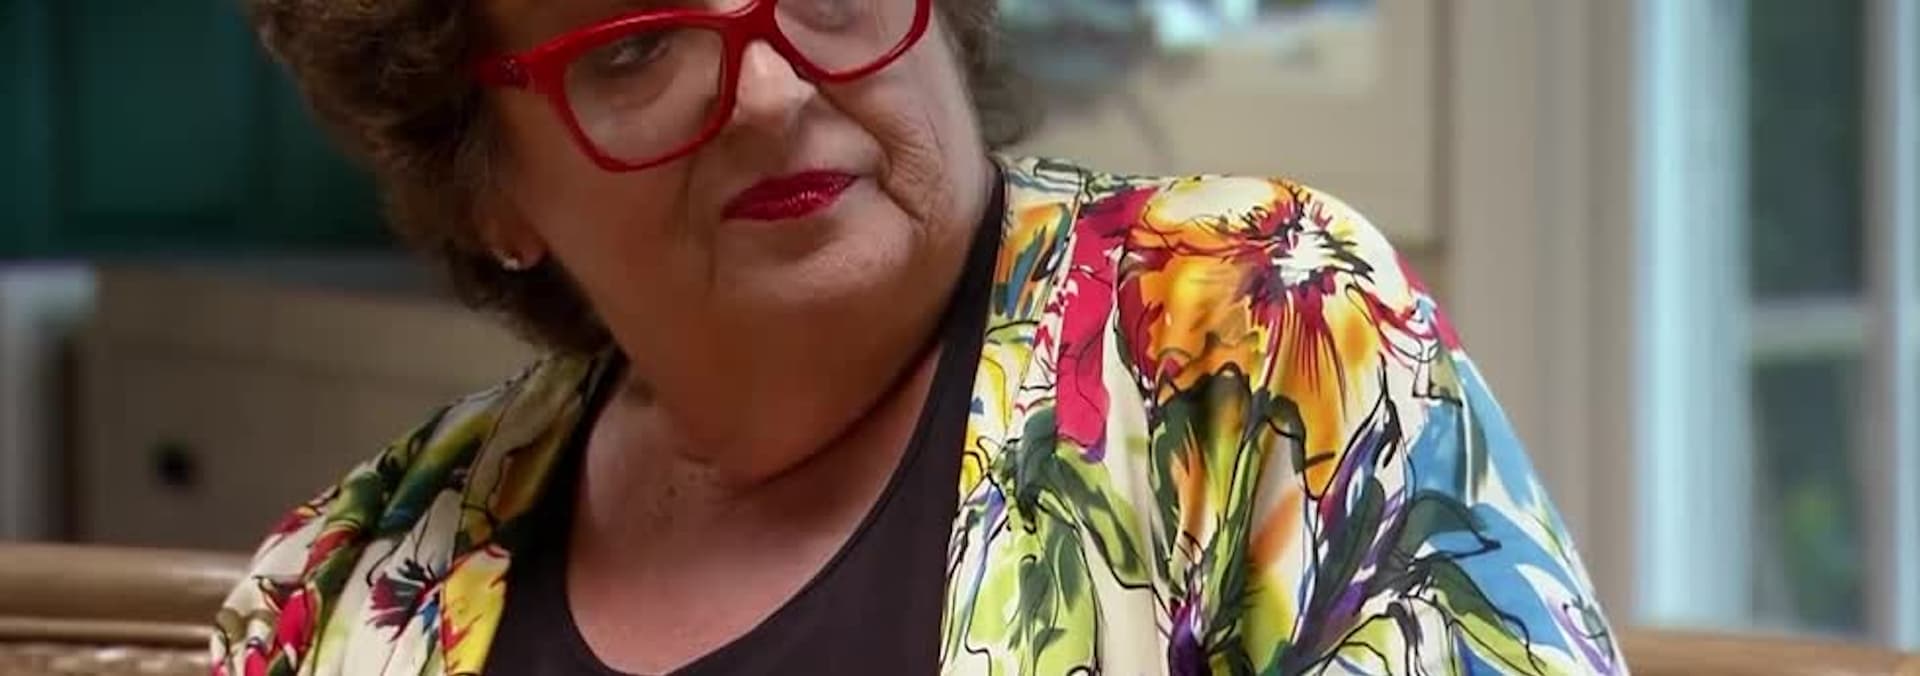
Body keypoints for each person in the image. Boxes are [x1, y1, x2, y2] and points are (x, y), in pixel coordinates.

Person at [212, 0, 1624, 672]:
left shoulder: (1252, 331)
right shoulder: (344, 587)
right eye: (634, 46)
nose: (773, 91)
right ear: (487, 184)